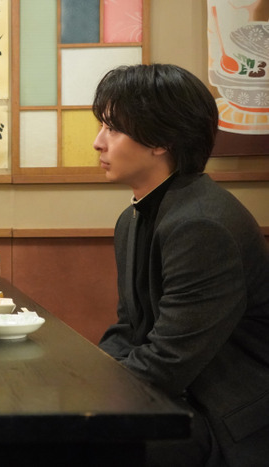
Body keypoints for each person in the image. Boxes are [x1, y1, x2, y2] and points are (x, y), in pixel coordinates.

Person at [93, 63, 269, 467]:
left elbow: (169, 361)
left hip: (226, 419)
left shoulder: (202, 224)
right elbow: (128, 329)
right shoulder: (133, 218)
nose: (98, 143)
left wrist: (90, 398)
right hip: (177, 398)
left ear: (161, 140)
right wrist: (86, 376)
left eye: (113, 129)